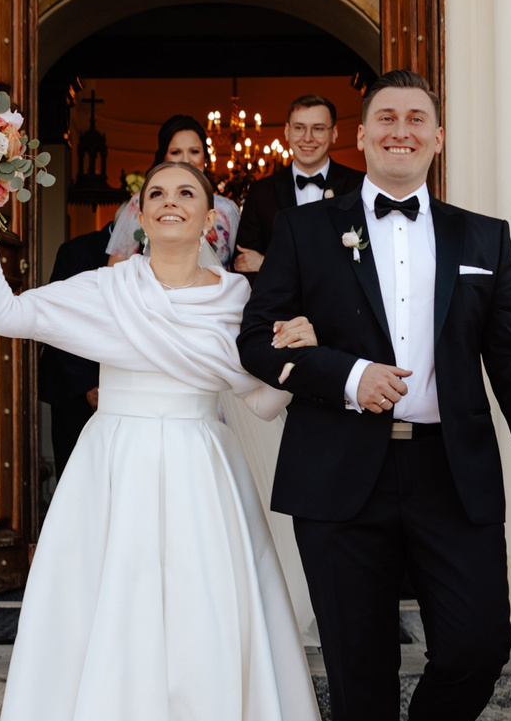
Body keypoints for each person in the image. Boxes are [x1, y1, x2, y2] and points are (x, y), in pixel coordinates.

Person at [236, 69, 511, 721]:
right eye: (385, 117)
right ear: (361, 134)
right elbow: (254, 339)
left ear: (437, 136)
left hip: (450, 475)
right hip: (341, 479)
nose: (399, 129)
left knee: (477, 643)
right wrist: (345, 377)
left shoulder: (481, 237)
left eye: (415, 118)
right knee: (359, 676)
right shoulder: (306, 232)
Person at [0, 160, 346, 721]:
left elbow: (265, 405)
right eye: (157, 194)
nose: (171, 203)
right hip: (116, 475)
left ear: (213, 219)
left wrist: (297, 351)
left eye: (188, 194)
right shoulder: (106, 287)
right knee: (117, 652)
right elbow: (3, 315)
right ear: (138, 214)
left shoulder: (241, 298)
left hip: (202, 472)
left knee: (205, 656)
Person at [233, 93, 364, 271]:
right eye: (299, 128)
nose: (307, 138)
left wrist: (267, 263)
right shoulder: (260, 192)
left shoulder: (359, 185)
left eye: (318, 128)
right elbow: (243, 264)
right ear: (287, 132)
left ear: (334, 133)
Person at [105, 115, 240, 270]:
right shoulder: (141, 203)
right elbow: (115, 269)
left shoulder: (227, 210)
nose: (186, 160)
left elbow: (237, 272)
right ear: (164, 157)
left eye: (194, 151)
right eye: (176, 152)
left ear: (205, 157)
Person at [40, 227, 114, 479]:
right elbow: (61, 319)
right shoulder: (78, 251)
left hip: (127, 389)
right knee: (76, 473)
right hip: (75, 387)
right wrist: (89, 386)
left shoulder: (157, 253)